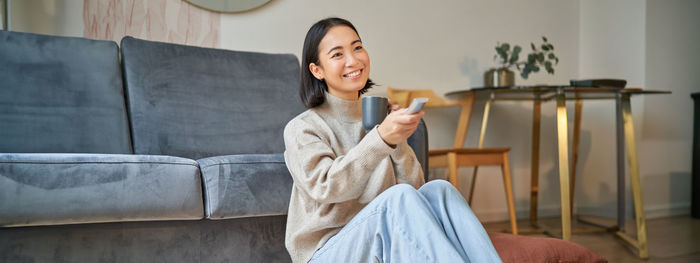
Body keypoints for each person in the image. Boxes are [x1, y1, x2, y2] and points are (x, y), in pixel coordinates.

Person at [283, 17, 502, 263]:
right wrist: (381, 140)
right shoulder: (302, 128)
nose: (353, 60)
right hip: (325, 253)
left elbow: (415, 191)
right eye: (337, 54)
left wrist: (397, 142)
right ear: (317, 70)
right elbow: (325, 188)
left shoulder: (381, 120)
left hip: (380, 239)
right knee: (398, 197)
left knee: (440, 190)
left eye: (357, 47)